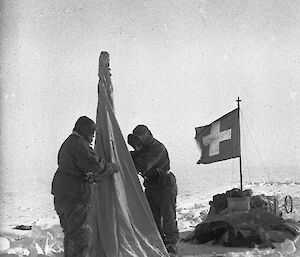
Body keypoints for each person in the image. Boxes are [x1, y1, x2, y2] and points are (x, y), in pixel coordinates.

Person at [51, 116, 120, 257]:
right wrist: (113, 167)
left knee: (71, 237)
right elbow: (95, 165)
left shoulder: (70, 143)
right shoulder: (78, 144)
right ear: (84, 131)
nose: (92, 137)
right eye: (91, 133)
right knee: (82, 238)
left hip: (65, 197)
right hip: (75, 199)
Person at [127, 125, 179, 255]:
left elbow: (142, 165)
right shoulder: (144, 149)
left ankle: (171, 243)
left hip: (165, 184)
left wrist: (129, 159)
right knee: (152, 216)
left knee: (168, 214)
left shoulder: (157, 148)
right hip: (151, 185)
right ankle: (159, 241)